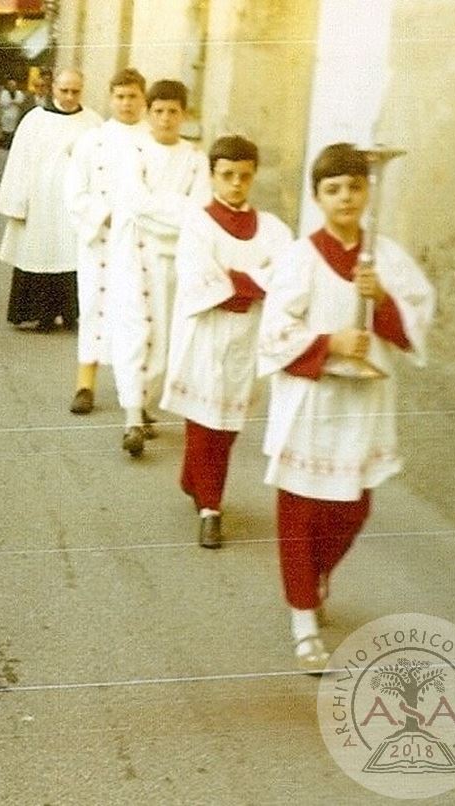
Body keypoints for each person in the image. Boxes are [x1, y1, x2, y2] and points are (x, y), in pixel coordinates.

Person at [256, 143, 434, 673]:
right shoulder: (301, 258)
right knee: (301, 512)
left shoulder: (385, 256)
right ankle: (304, 621)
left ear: (367, 192)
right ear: (317, 197)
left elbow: (418, 318)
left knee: (353, 508)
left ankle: (315, 577)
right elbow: (273, 333)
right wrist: (329, 343)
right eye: (333, 189)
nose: (346, 197)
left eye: (355, 187)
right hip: (312, 402)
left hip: (364, 404)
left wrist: (382, 300)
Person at [160, 135, 292, 548]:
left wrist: (241, 281)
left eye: (244, 176)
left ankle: (193, 477)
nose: (236, 184)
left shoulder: (271, 228)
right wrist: (256, 281)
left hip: (247, 336)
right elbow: (200, 278)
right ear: (213, 175)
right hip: (206, 333)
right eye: (227, 175)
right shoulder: (198, 223)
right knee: (204, 422)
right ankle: (211, 509)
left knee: (229, 424)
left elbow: (286, 275)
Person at [108, 79, 210, 457]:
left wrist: (161, 210)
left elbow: (198, 208)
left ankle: (145, 401)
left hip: (176, 256)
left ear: (184, 114)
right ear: (149, 114)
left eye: (173, 112)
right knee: (136, 326)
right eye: (159, 111)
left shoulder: (196, 159)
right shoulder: (135, 150)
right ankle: (132, 415)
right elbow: (136, 201)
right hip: (135, 252)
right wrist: (169, 210)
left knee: (166, 333)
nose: (166, 119)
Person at [63, 67, 148, 414]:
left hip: (140, 241)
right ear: (111, 99)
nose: (126, 104)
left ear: (143, 100)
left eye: (133, 97)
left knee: (136, 313)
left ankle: (136, 395)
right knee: (94, 305)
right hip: (100, 238)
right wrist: (105, 214)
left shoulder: (152, 142)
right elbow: (74, 192)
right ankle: (85, 383)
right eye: (120, 96)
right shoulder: (91, 140)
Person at [0, 68, 102, 331]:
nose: (69, 96)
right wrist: (18, 203)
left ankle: (70, 314)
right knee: (40, 254)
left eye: (75, 91)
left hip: (76, 204)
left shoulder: (94, 123)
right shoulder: (35, 120)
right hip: (41, 202)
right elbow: (19, 163)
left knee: (73, 255)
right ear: (53, 88)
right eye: (64, 90)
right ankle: (40, 314)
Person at [0, 79, 26, 150]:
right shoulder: (4, 93)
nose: (12, 87)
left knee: (14, 131)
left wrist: (12, 102)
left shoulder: (19, 93)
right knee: (5, 130)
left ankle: (11, 145)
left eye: (13, 85)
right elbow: (3, 103)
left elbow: (21, 101)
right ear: (8, 86)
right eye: (10, 85)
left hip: (15, 115)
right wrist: (13, 102)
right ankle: (4, 144)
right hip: (6, 115)